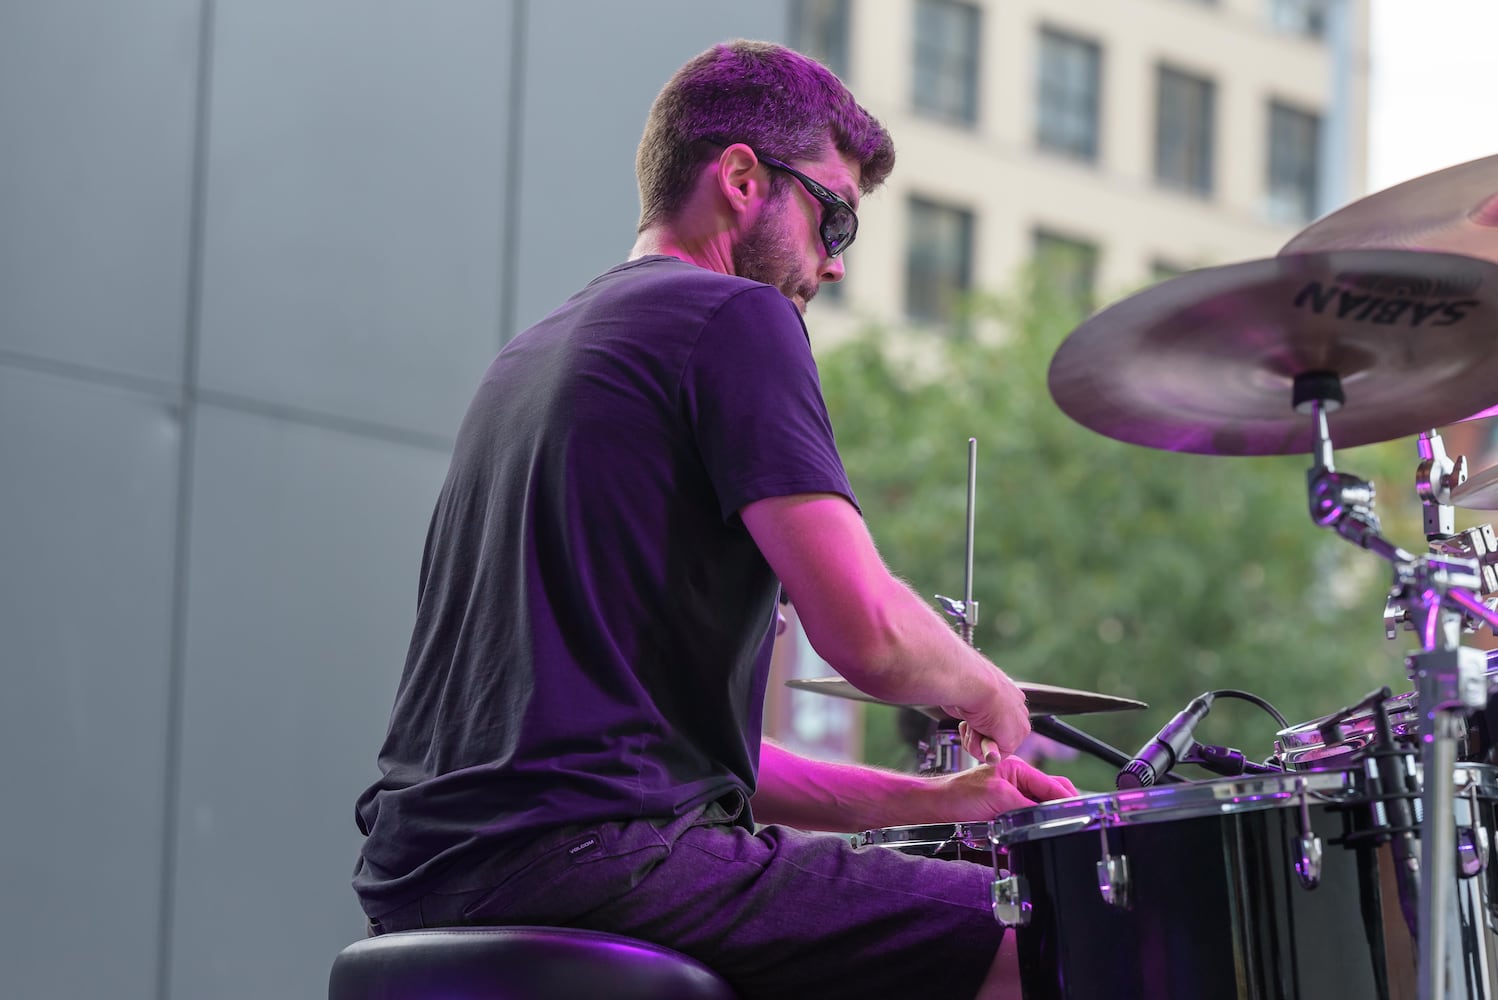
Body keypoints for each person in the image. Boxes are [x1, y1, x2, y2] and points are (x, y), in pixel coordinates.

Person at [352, 39, 1078, 1000]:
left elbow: (668, 758)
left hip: (425, 877)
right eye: (835, 221)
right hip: (597, 865)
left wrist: (933, 799)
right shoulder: (733, 317)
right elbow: (863, 631)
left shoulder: (533, 358)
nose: (835, 265)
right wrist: (982, 687)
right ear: (741, 177)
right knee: (1060, 932)